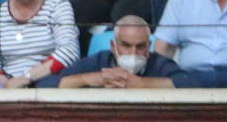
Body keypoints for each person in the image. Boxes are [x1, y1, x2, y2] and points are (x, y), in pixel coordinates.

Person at [55, 14, 187, 87]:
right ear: (113, 46)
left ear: (149, 46)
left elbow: (190, 83)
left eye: (140, 46)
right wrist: (88, 79)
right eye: (126, 45)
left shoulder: (159, 64)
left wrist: (141, 84)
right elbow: (48, 83)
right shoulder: (99, 61)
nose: (133, 53)